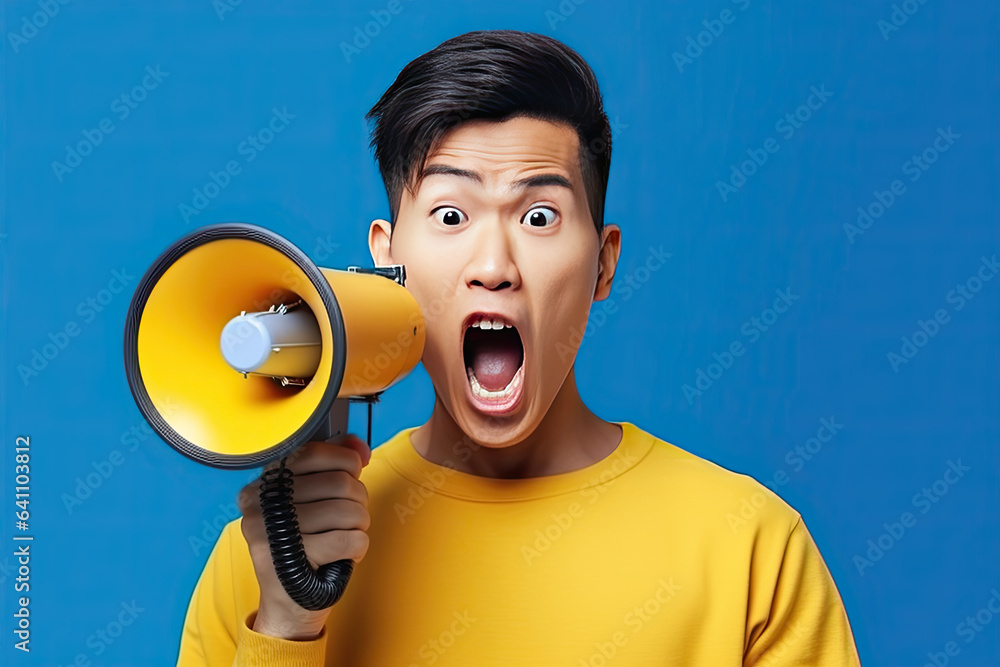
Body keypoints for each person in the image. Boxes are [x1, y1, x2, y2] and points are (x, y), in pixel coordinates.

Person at [177, 30, 861, 666]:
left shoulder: (751, 547)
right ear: (387, 261)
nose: (494, 264)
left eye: (539, 216)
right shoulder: (270, 552)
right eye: (451, 215)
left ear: (603, 263)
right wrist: (287, 624)